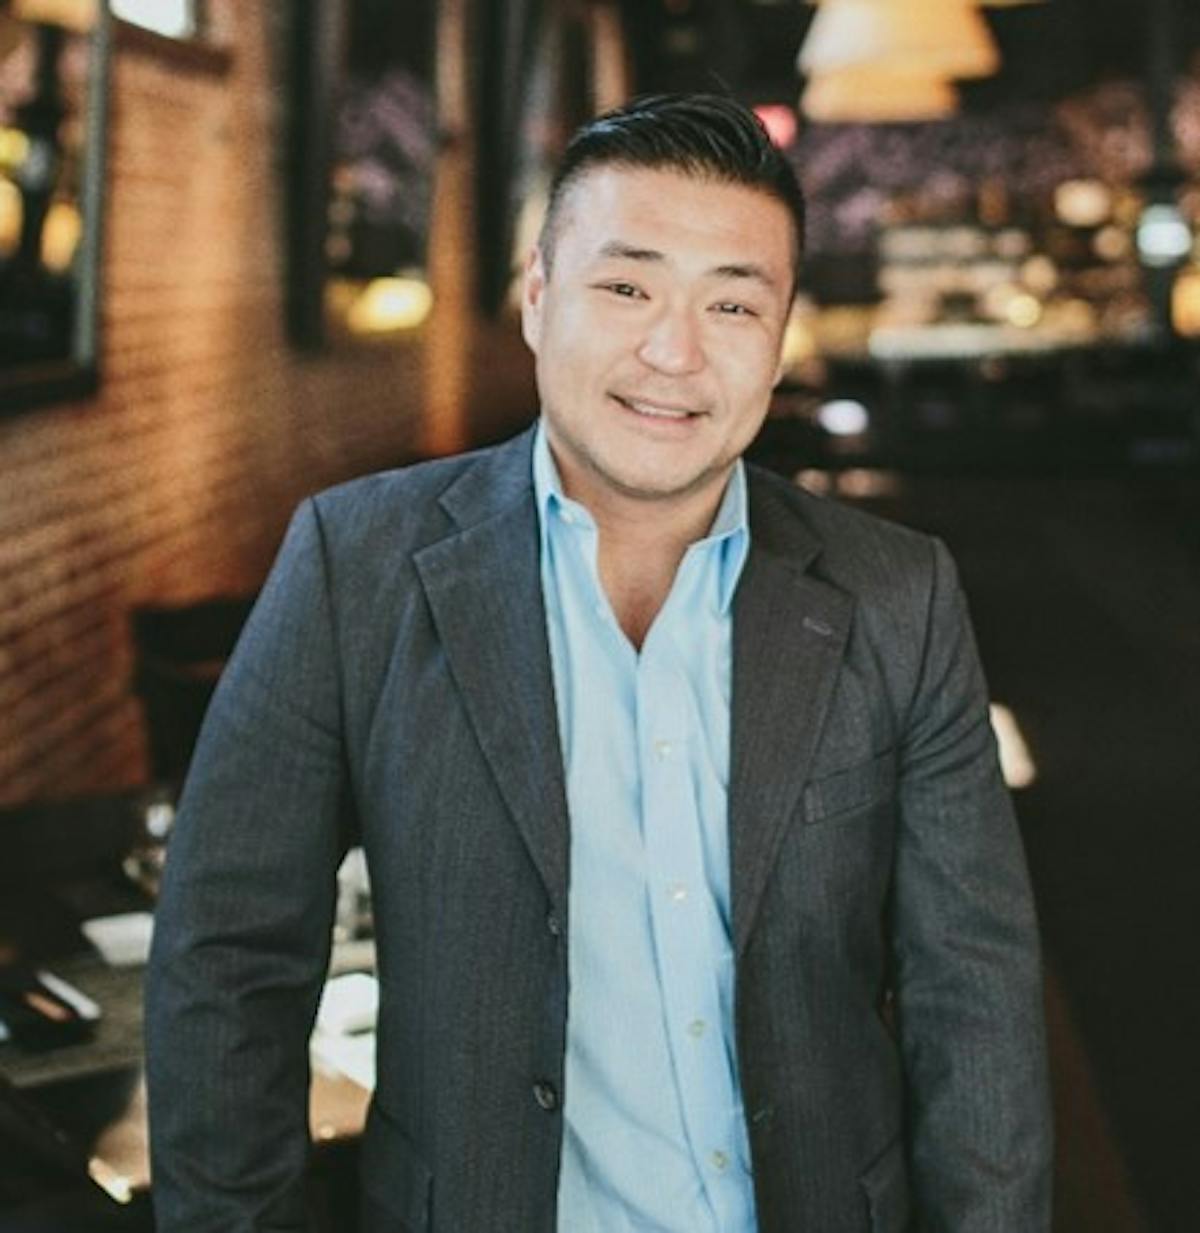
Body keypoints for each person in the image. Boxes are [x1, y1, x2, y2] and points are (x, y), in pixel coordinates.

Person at [145, 93, 1052, 1233]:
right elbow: (228, 963)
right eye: (625, 287)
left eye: (733, 303)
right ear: (536, 298)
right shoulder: (357, 565)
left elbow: (973, 998)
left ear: (778, 341)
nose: (673, 351)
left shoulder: (896, 594)